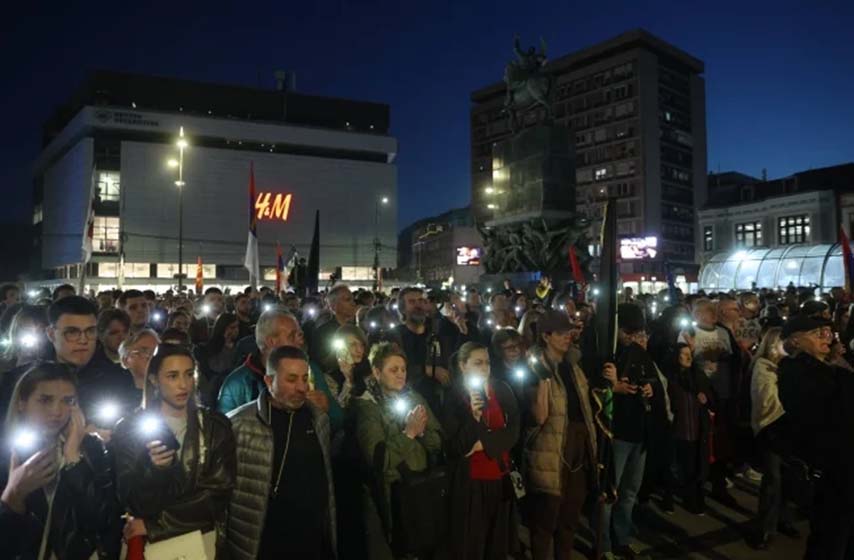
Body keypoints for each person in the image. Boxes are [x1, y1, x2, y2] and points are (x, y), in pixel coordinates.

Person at [113, 344, 236, 557]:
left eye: (189, 374)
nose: (183, 384)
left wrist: (155, 525)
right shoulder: (130, 428)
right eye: (172, 376)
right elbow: (128, 497)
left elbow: (218, 494)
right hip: (147, 545)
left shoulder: (215, 426)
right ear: (154, 380)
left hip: (197, 539)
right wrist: (156, 471)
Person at [0, 362, 121, 558]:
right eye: (45, 400)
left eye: (68, 401)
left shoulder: (90, 447)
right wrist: (13, 495)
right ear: (22, 402)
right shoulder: (6, 453)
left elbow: (106, 521)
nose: (57, 411)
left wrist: (73, 459)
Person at [227, 346, 337, 560]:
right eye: (292, 379)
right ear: (269, 381)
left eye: (305, 379)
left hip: (312, 541)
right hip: (265, 544)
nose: (301, 388)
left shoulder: (318, 419)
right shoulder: (239, 424)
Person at [526, 310, 608, 560]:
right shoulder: (535, 368)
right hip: (551, 453)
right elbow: (539, 417)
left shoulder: (573, 366)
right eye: (561, 333)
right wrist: (542, 379)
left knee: (570, 519)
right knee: (545, 524)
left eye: (569, 332)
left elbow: (586, 408)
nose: (568, 337)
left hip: (578, 452)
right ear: (546, 336)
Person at [353, 342, 443, 560]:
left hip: (423, 486)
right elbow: (379, 460)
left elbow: (438, 442)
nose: (401, 375)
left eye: (403, 369)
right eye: (393, 370)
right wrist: (408, 434)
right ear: (376, 372)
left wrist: (421, 433)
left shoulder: (415, 399)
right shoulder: (367, 407)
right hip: (393, 494)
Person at [778, 315, 854, 559]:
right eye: (816, 333)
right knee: (830, 538)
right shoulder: (796, 370)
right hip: (830, 468)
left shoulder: (829, 369)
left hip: (842, 464)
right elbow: (834, 408)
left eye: (827, 332)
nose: (826, 337)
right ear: (796, 341)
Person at [442, 342, 520, 560]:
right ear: (463, 366)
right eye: (478, 363)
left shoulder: (501, 390)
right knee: (472, 544)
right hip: (471, 484)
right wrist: (473, 418)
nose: (484, 368)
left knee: (497, 544)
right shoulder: (453, 397)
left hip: (500, 476)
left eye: (487, 362)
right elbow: (457, 446)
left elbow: (514, 429)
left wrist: (484, 444)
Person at [599, 304, 658, 558]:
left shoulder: (640, 354)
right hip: (617, 433)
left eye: (638, 333)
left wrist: (650, 389)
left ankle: (621, 537)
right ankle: (604, 544)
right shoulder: (607, 354)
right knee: (610, 491)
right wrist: (613, 388)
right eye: (630, 332)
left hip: (639, 432)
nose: (635, 338)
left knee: (630, 491)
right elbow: (594, 392)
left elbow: (653, 381)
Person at [217, 310, 338, 428]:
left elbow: (338, 420)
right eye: (292, 336)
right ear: (271, 342)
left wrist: (326, 410)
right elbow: (224, 432)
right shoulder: (237, 383)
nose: (300, 341)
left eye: (299, 335)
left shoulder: (310, 370)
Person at [0, 296, 98, 423]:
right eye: (72, 332)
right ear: (51, 334)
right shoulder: (19, 380)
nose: (83, 340)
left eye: (90, 331)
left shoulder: (117, 378)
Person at [748, 327, 799, 550]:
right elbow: (766, 401)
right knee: (773, 480)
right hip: (772, 429)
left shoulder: (789, 367)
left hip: (789, 430)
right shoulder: (763, 367)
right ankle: (765, 528)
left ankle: (784, 519)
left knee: (789, 478)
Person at [664, 343, 712, 515]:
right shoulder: (671, 378)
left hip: (695, 429)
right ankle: (668, 498)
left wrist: (706, 399)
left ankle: (693, 499)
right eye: (683, 354)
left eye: (689, 353)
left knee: (694, 468)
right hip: (677, 428)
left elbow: (710, 398)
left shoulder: (697, 376)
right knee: (673, 466)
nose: (688, 357)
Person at [389, 287, 452, 414]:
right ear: (402, 309)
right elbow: (392, 371)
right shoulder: (394, 337)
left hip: (437, 402)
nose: (418, 305)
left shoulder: (437, 333)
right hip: (406, 402)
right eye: (412, 302)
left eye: (421, 301)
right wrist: (426, 370)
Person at [195, 312, 240, 406]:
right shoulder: (210, 347)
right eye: (232, 327)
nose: (236, 330)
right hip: (214, 390)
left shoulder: (239, 345)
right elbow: (217, 367)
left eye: (237, 327)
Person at [309, 284, 357, 370]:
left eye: (353, 299)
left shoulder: (356, 329)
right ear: (333, 306)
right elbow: (319, 363)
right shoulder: (323, 333)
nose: (353, 303)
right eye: (347, 300)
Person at [324, 324, 371, 409]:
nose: (359, 350)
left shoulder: (369, 371)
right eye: (353, 345)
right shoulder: (330, 378)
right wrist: (348, 381)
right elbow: (337, 409)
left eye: (362, 345)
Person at [117, 329, 161, 413]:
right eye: (144, 351)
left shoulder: (168, 394)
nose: (150, 356)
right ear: (125, 360)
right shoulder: (115, 395)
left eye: (156, 352)